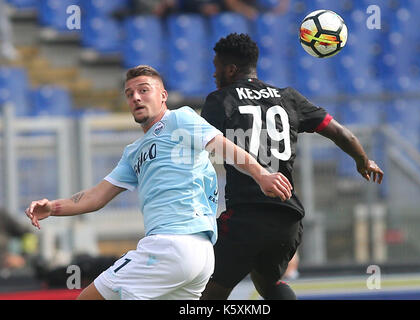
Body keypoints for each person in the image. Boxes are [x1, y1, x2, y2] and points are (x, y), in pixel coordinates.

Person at [24, 65, 293, 300]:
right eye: (129, 94)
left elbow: (223, 146)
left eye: (144, 90)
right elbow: (96, 196)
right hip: (198, 258)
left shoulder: (179, 119)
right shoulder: (134, 151)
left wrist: (261, 174)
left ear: (163, 96)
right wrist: (54, 208)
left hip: (171, 245)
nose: (136, 98)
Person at [200, 33, 384, 300]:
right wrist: (363, 161)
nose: (214, 75)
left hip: (246, 216)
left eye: (216, 68)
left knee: (206, 289)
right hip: (287, 219)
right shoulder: (288, 98)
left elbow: (204, 144)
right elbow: (344, 135)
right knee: (267, 282)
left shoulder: (220, 100)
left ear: (230, 69)